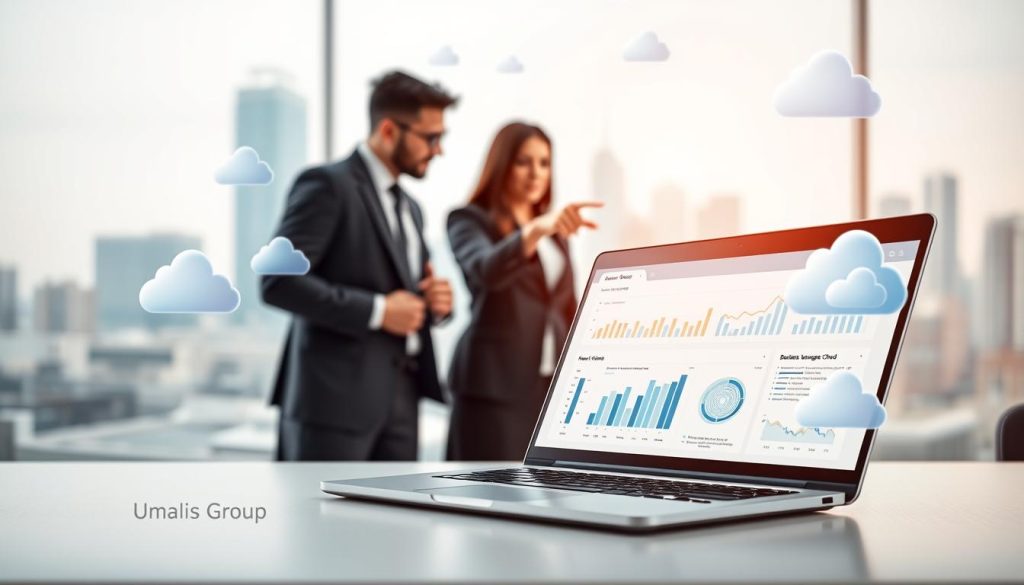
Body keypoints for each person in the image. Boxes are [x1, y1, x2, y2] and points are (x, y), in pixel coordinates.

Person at [262, 71, 458, 461]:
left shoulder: (412, 208)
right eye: (431, 138)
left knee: (394, 521)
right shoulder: (326, 185)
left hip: (402, 404)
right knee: (320, 522)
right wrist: (380, 311)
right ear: (388, 130)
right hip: (332, 409)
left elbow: (407, 295)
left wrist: (436, 304)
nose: (438, 150)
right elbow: (278, 281)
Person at [445, 122, 602, 460]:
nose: (536, 173)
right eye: (523, 162)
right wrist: (534, 230)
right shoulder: (469, 220)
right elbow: (485, 270)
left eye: (544, 163)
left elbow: (564, 306)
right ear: (502, 165)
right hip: (493, 388)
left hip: (547, 387)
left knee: (542, 488)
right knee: (488, 491)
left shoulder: (554, 232)